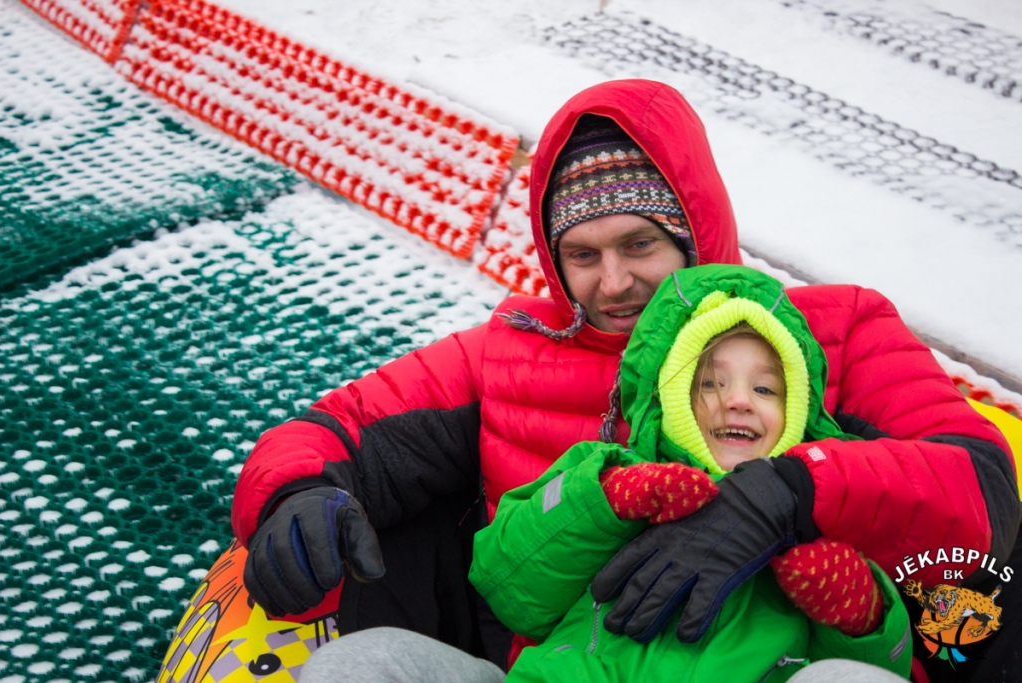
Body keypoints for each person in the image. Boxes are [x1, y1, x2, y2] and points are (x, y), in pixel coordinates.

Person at [232, 80, 1019, 676]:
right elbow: (336, 429)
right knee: (360, 666)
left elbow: (978, 486)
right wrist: (293, 493)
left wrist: (789, 493)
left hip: (769, 664)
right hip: (566, 667)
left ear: (695, 224)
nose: (612, 283)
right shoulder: (505, 355)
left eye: (640, 243)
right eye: (583, 255)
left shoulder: (832, 331)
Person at [469, 264, 912, 682]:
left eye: (764, 388)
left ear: (797, 408)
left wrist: (863, 618)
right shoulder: (610, 471)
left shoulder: (825, 517)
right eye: (710, 383)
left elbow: (881, 669)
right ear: (668, 397)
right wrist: (603, 502)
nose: (738, 401)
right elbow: (511, 588)